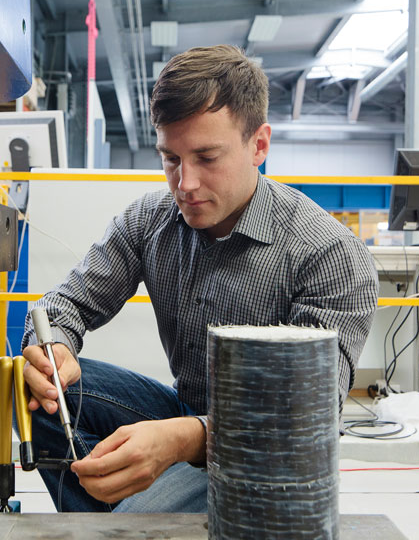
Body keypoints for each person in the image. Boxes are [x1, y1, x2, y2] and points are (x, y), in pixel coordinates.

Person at [21, 44, 378, 513]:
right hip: (183, 415)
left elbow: (307, 418)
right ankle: (108, 526)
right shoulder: (149, 221)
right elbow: (63, 305)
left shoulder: (328, 254)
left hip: (271, 456)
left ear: (260, 145)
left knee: (133, 519)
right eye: (171, 159)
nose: (184, 184)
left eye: (207, 158)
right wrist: (54, 349)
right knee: (29, 390)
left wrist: (186, 440)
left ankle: (117, 531)